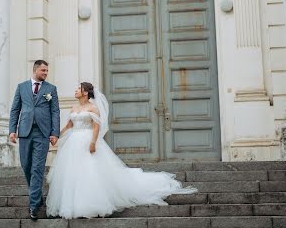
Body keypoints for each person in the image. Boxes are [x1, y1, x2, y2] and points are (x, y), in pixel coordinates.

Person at [46, 82, 196, 219]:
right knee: (74, 172)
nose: (76, 90)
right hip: (73, 143)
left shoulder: (93, 107)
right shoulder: (74, 108)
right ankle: (72, 203)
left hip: (87, 140)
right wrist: (57, 136)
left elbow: (97, 127)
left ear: (85, 92)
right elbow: (69, 126)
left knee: (89, 171)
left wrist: (93, 142)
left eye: (78, 88)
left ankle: (89, 203)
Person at [9, 59, 60, 220]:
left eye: (47, 71)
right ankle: (36, 196)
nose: (45, 73)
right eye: (43, 70)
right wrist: (12, 130)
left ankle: (33, 205)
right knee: (26, 166)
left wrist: (55, 133)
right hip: (24, 132)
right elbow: (15, 109)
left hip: (43, 134)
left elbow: (55, 112)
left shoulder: (51, 89)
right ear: (35, 70)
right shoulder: (21, 87)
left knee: (37, 168)